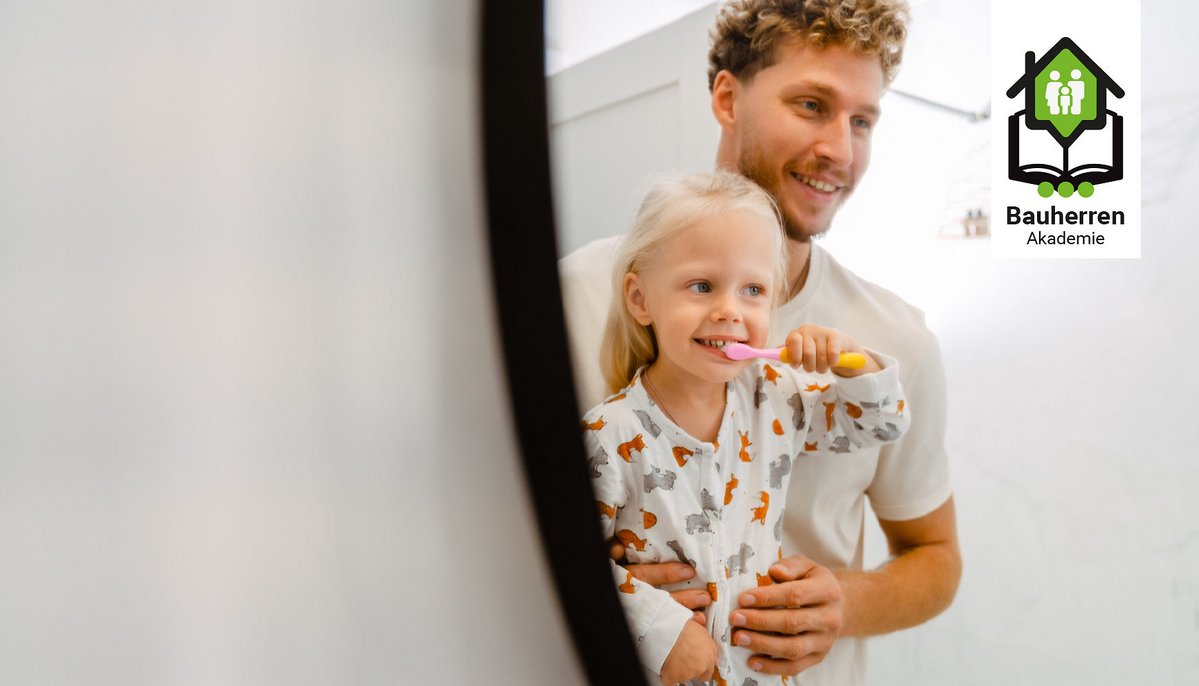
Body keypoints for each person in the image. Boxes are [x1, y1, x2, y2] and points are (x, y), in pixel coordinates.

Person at [559, 1, 961, 683]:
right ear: (726, 98)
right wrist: (614, 598)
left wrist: (843, 604)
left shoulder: (894, 341)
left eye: (862, 121)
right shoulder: (574, 296)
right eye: (811, 105)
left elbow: (937, 558)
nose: (840, 150)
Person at [583, 171, 909, 686]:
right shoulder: (609, 435)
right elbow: (560, 564)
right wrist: (656, 626)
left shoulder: (776, 399)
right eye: (702, 286)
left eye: (753, 290)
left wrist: (851, 362)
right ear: (640, 299)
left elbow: (882, 423)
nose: (729, 311)